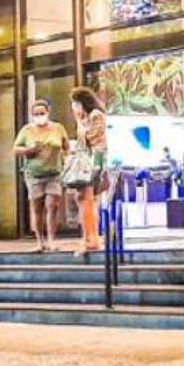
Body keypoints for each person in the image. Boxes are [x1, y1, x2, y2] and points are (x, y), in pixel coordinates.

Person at [13, 98, 72, 251]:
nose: (39, 116)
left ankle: (52, 241)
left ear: (48, 112)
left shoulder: (58, 128)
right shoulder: (27, 130)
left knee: (53, 206)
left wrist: (68, 160)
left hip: (54, 173)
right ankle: (39, 241)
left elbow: (66, 146)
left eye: (42, 113)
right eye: (36, 114)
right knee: (37, 208)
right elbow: (16, 149)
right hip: (34, 175)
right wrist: (29, 151)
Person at [68, 86, 109, 258]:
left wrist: (80, 122)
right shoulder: (86, 118)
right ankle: (88, 237)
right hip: (87, 162)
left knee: (87, 199)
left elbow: (92, 138)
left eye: (75, 103)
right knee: (83, 199)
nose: (73, 107)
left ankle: (91, 240)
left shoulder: (95, 115)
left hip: (93, 162)